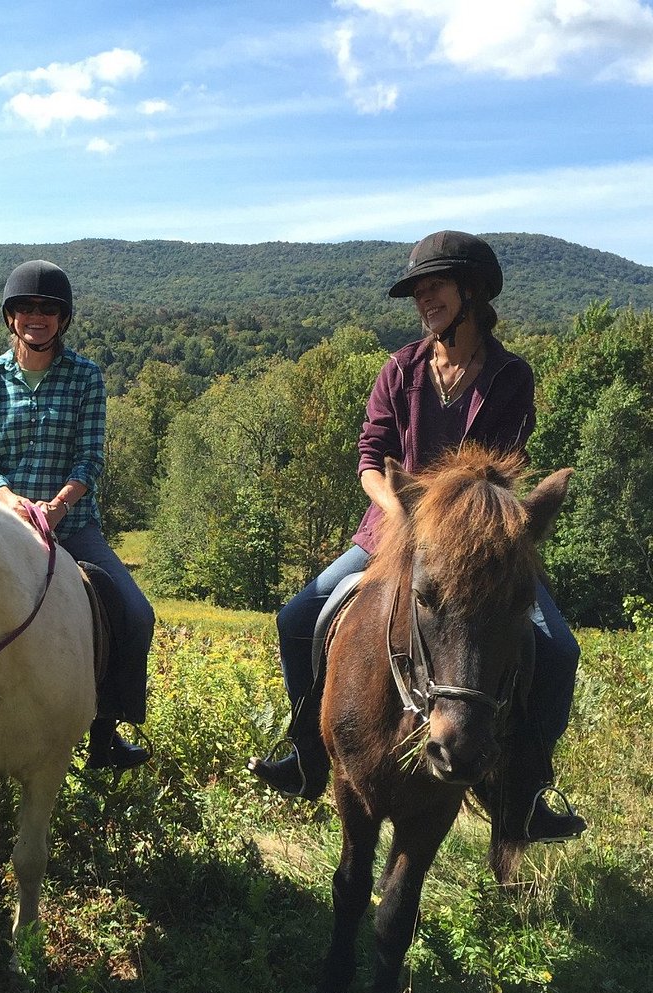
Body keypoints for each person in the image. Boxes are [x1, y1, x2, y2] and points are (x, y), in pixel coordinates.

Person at [250, 231, 586, 844]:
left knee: (558, 652)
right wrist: (401, 515)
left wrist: (444, 523)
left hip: (476, 545)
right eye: (418, 290)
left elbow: (500, 471)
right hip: (391, 530)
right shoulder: (399, 369)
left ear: (471, 291)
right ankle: (305, 757)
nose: (423, 299)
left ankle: (525, 791)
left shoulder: (511, 376)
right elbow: (370, 456)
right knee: (298, 618)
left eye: (435, 286)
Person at [0, 259, 154, 771]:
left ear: (63, 319)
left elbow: (90, 455)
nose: (37, 317)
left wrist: (57, 504)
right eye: (26, 307)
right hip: (3, 525)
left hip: (72, 524)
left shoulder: (86, 377)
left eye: (48, 309)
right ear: (11, 317)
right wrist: (10, 500)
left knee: (136, 614)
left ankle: (106, 728)